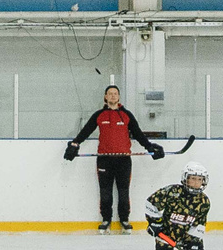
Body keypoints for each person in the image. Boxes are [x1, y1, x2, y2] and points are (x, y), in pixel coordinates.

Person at [63, 84, 166, 233]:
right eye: (110, 94)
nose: (112, 96)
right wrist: (75, 143)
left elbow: (138, 134)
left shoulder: (126, 115)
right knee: (105, 192)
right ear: (105, 97)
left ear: (118, 97)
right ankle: (106, 220)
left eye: (115, 94)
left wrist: (150, 148)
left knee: (124, 192)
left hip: (123, 160)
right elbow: (86, 131)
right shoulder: (99, 115)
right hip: (104, 159)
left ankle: (124, 220)